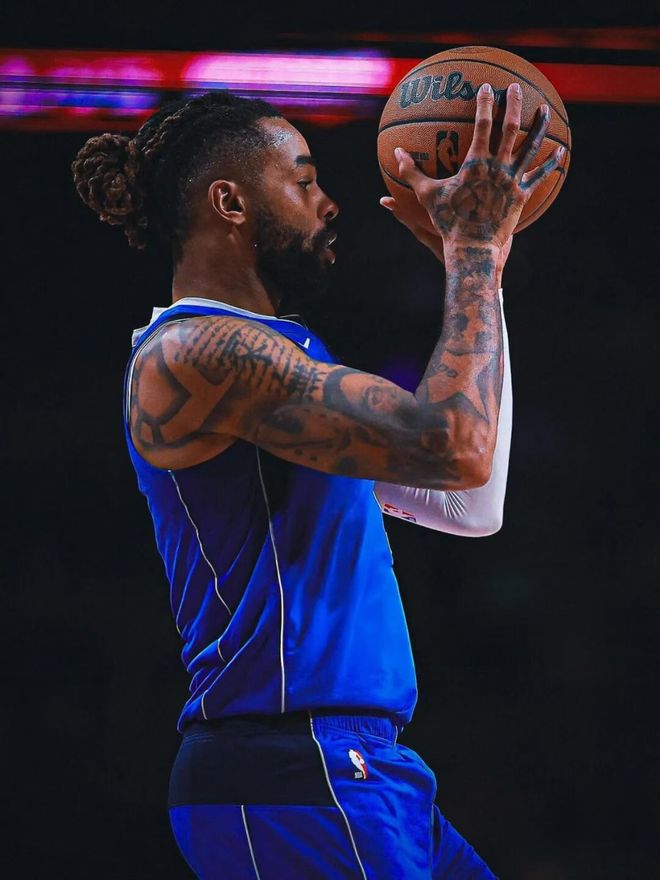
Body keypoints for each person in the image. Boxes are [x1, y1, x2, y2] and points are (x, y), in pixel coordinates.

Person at [71, 82, 562, 879]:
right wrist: (472, 254)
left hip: (363, 769)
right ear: (230, 202)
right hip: (293, 769)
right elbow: (456, 447)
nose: (329, 203)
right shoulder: (197, 353)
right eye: (303, 181)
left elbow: (468, 502)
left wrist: (486, 273)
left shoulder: (283, 363)